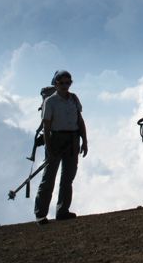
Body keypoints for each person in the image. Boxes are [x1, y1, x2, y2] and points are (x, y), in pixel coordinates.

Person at [34, 70, 88, 225]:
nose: (65, 85)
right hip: (56, 139)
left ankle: (62, 211)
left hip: (73, 138)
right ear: (56, 83)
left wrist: (84, 140)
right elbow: (47, 125)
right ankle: (41, 214)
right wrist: (49, 149)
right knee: (49, 178)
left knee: (68, 177)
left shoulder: (74, 98)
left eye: (68, 82)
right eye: (62, 83)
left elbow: (80, 120)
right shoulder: (50, 102)